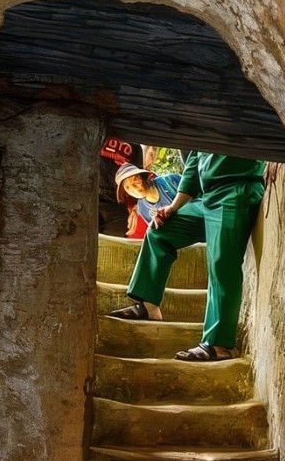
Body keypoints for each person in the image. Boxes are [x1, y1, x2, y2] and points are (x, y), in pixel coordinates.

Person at [106, 149, 276, 362]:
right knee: (159, 231)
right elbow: (191, 172)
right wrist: (172, 208)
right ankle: (148, 305)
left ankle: (218, 344)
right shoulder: (199, 131)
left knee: (222, 262)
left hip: (235, 191)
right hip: (207, 199)